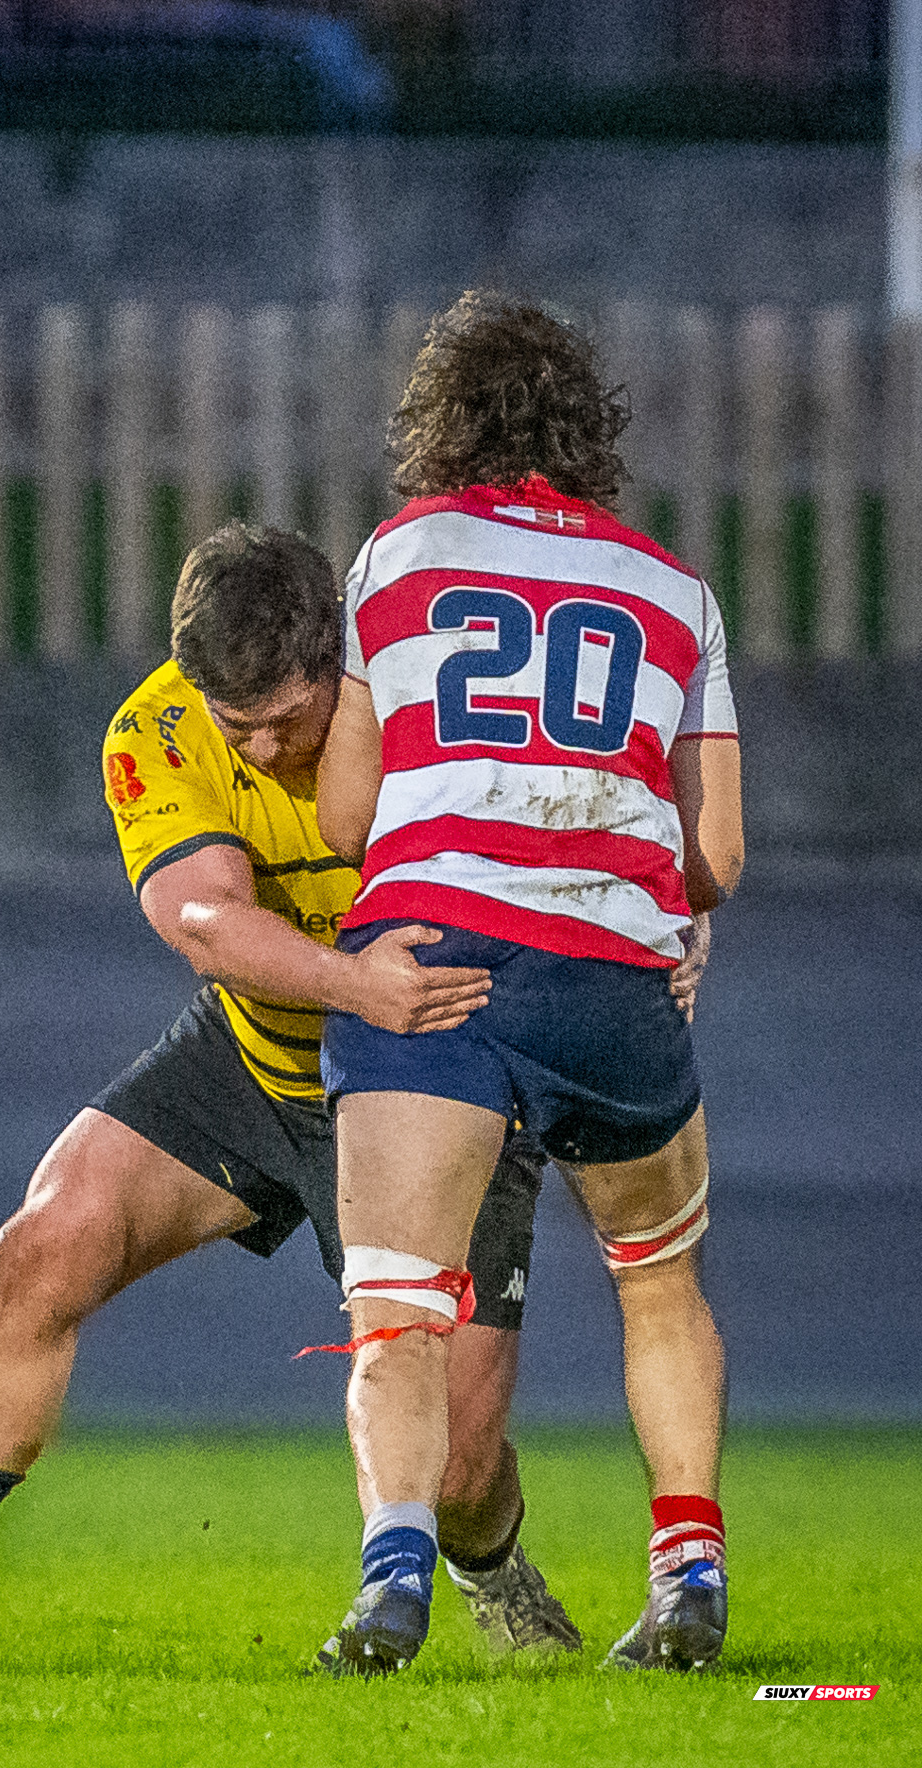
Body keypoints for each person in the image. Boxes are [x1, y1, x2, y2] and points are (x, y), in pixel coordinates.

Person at [0, 521, 583, 1676]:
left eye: (297, 717)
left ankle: (493, 1570)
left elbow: (585, 830)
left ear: (340, 653)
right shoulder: (158, 727)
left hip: (430, 1078)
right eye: (245, 728)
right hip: (260, 1051)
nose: (272, 748)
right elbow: (205, 922)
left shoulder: (431, 694)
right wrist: (348, 981)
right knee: (45, 1241)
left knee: (465, 1463)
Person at [313, 291, 743, 1677]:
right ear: (588, 427)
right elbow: (719, 853)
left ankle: (391, 1585)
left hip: (440, 963)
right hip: (619, 978)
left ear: (441, 422)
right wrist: (661, 903)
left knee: (399, 1306)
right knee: (658, 1284)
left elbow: (342, 816)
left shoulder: (399, 555)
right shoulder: (675, 590)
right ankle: (687, 1577)